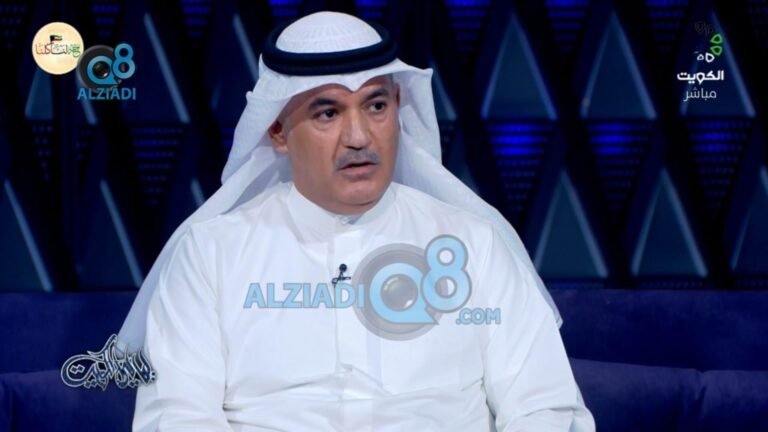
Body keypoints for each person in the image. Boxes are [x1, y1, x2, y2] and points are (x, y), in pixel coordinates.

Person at [129, 11, 594, 431]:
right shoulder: (210, 254)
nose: (358, 137)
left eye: (375, 106)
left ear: (398, 106)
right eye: (328, 113)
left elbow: (544, 406)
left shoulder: (473, 244)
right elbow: (177, 416)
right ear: (277, 131)